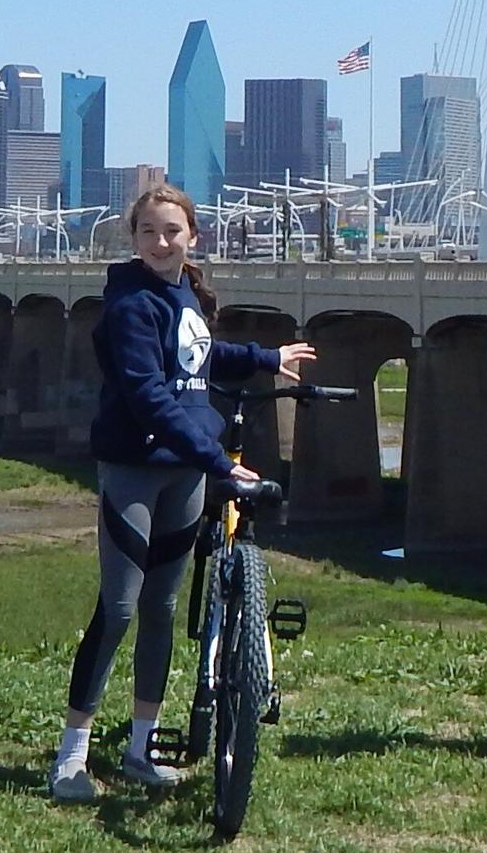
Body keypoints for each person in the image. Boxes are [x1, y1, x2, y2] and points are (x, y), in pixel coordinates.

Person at [47, 183, 312, 801]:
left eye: (173, 232)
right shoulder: (130, 305)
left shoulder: (180, 291)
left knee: (162, 611)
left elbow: (194, 355)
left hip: (184, 475)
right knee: (116, 611)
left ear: (193, 236)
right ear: (133, 239)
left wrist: (264, 356)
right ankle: (71, 758)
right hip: (136, 470)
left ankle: (141, 747)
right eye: (149, 233)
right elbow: (147, 393)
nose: (162, 242)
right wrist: (218, 460)